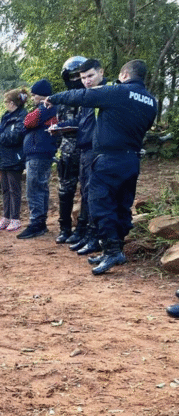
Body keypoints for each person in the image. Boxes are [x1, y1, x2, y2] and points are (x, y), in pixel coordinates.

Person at [45, 59, 157, 275]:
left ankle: (111, 250)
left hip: (108, 159)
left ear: (125, 75)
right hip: (132, 159)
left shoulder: (118, 92)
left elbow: (82, 96)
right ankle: (117, 249)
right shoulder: (152, 102)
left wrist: (53, 98)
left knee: (100, 204)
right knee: (122, 205)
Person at [58, 58, 110, 256]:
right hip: (78, 149)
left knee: (91, 194)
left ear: (100, 73)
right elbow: (80, 120)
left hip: (95, 150)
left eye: (90, 76)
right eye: (82, 77)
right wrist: (60, 127)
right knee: (76, 191)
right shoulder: (84, 97)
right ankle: (77, 230)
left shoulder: (103, 94)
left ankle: (91, 234)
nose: (85, 80)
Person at [17, 79, 58, 239]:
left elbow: (28, 121)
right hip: (40, 152)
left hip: (39, 152)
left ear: (41, 96)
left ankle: (37, 223)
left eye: (34, 95)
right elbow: (25, 125)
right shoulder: (47, 108)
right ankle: (40, 222)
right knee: (40, 187)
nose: (32, 98)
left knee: (34, 189)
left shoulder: (47, 107)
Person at [54, 56, 87, 243]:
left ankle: (82, 228)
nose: (75, 80)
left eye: (78, 76)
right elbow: (59, 126)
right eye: (71, 76)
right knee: (65, 191)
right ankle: (64, 228)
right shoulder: (64, 101)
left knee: (87, 191)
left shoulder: (92, 97)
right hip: (67, 153)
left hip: (87, 151)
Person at [0, 88, 28, 232]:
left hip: (15, 158)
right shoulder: (5, 116)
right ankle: (6, 216)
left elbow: (16, 136)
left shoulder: (22, 116)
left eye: (6, 102)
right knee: (5, 189)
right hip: (3, 158)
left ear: (12, 103)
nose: (5, 104)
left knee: (14, 189)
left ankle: (15, 218)